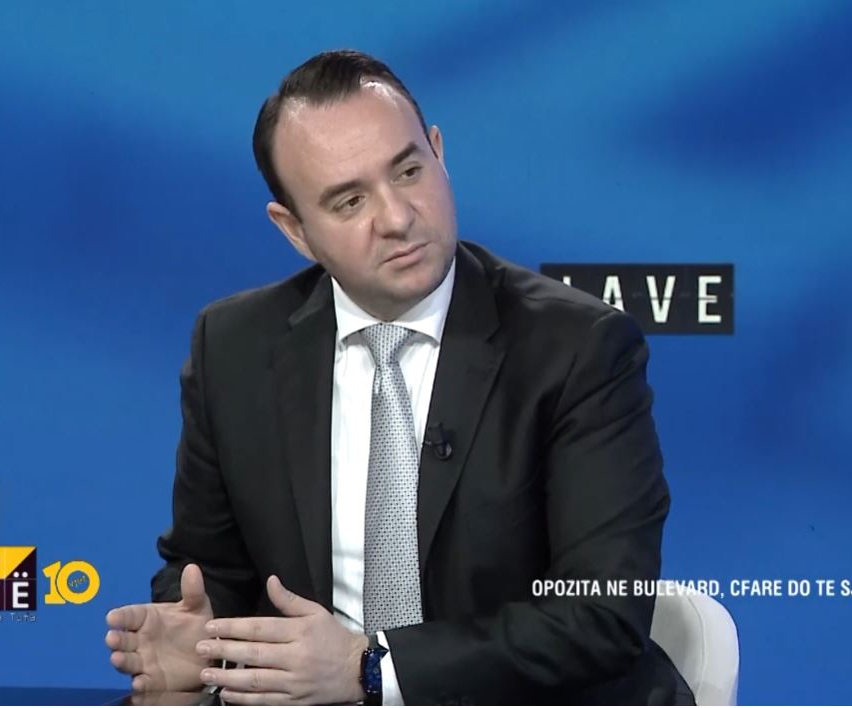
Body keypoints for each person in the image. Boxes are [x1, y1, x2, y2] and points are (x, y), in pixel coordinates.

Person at [104, 49, 694, 705]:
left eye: (409, 171)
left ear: (439, 153)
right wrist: (203, 639)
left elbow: (601, 616)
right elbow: (208, 567)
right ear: (295, 230)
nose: (396, 217)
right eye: (350, 200)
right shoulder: (234, 346)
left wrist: (371, 670)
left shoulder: (577, 349)